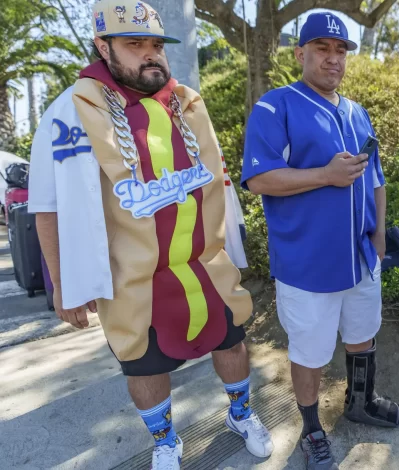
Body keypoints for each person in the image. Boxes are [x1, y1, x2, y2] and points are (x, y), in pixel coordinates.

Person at [27, 2, 273, 468]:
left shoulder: (189, 103)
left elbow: (219, 181)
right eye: (134, 44)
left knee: (233, 342)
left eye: (156, 45)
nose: (150, 55)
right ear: (104, 47)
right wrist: (64, 284)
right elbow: (48, 207)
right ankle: (165, 441)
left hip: (206, 264)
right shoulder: (71, 111)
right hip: (133, 278)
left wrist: (235, 244)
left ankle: (240, 415)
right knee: (144, 363)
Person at [240, 11, 399, 470]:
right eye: (322, 49)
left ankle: (361, 400)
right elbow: (259, 178)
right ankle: (312, 428)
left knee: (362, 334)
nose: (333, 58)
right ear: (301, 53)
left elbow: (376, 178)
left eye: (341, 50)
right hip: (307, 264)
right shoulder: (277, 106)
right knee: (310, 353)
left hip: (360, 258)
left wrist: (378, 235)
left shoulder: (356, 111)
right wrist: (325, 176)